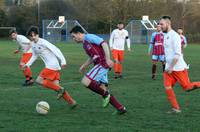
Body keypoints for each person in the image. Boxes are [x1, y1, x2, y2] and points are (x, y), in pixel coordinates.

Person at [70, 26, 126, 115]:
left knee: (85, 81)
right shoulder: (84, 44)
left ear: (79, 33)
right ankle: (120, 108)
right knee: (103, 88)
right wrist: (84, 65)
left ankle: (106, 95)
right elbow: (92, 57)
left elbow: (104, 43)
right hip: (99, 64)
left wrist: (107, 59)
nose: (73, 39)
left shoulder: (89, 37)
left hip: (102, 63)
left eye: (73, 36)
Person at [24, 26, 77, 107]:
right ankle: (72, 102)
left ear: (38, 34)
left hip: (52, 65)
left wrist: (63, 61)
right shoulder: (33, 44)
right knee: (56, 86)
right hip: (53, 66)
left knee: (39, 80)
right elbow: (34, 55)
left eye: (35, 35)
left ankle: (60, 90)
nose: (33, 37)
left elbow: (56, 49)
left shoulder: (43, 42)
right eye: (31, 36)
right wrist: (27, 64)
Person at [159, 16, 200, 113]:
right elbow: (168, 52)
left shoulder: (175, 36)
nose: (160, 26)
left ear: (168, 24)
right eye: (159, 24)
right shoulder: (164, 35)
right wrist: (166, 65)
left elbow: (177, 54)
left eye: (162, 24)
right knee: (167, 87)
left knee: (187, 87)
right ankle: (176, 108)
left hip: (178, 68)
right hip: (169, 69)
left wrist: (171, 67)